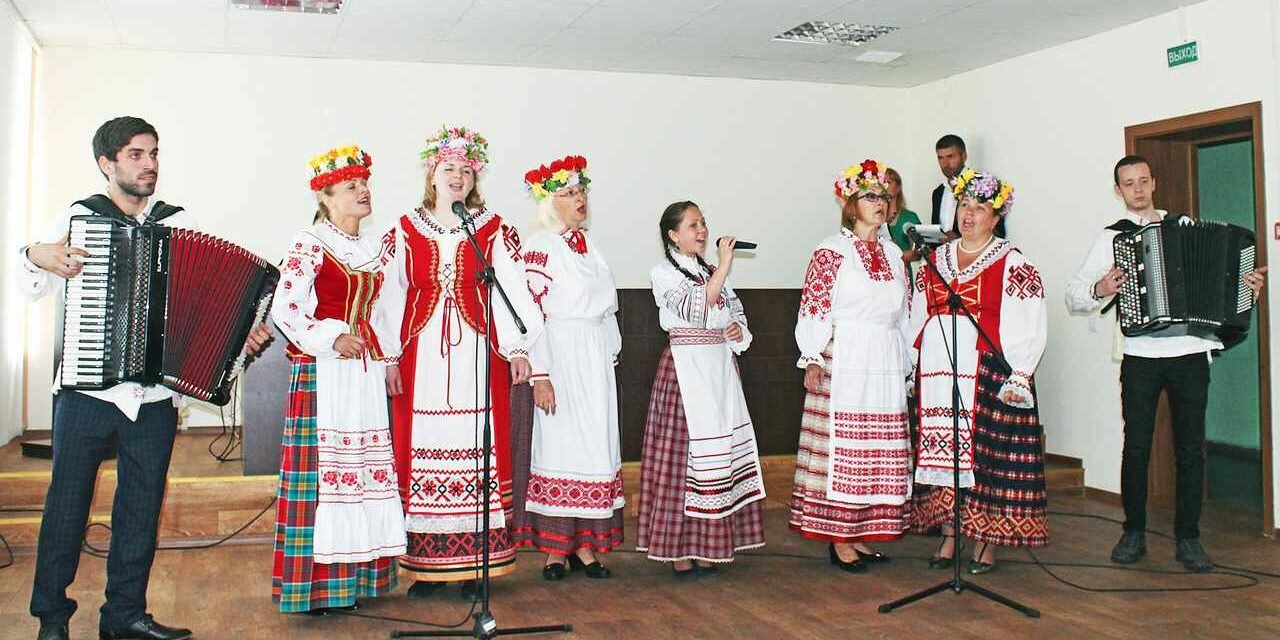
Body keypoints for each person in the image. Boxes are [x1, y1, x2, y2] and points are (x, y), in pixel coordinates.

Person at [19, 116, 270, 640]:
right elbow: (32, 287)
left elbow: (204, 306)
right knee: (66, 506)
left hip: (154, 398)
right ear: (106, 164)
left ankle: (125, 615)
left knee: (141, 508)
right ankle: (51, 617)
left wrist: (236, 334)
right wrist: (32, 255)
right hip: (88, 390)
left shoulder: (174, 223)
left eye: (153, 153)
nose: (150, 164)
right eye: (136, 154)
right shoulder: (78, 217)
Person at [1064, 155, 1266, 572]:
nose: (1137, 189)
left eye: (1143, 181)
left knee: (1191, 449)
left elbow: (1223, 283)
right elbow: (1074, 295)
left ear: (1154, 183)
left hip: (1190, 354)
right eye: (1128, 183)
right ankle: (1133, 531)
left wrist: (1248, 289)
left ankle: (1188, 537)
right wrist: (1100, 287)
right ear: (1117, 191)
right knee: (1136, 447)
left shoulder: (1186, 227)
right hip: (1140, 357)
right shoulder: (1110, 238)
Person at [386, 125, 543, 600]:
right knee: (423, 446)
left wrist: (519, 346)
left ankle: (478, 562)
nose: (456, 176)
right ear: (431, 175)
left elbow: (513, 288)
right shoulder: (405, 228)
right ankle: (426, 566)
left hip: (478, 351)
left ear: (475, 179)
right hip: (422, 355)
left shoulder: (491, 228)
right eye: (447, 168)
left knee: (478, 446)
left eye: (465, 170)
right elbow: (391, 296)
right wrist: (389, 355)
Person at [269, 145, 407, 613]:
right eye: (352, 186)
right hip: (325, 371)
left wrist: (390, 359)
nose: (363, 191)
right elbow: (285, 308)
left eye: (364, 184)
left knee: (362, 475)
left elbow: (383, 311)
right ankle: (314, 589)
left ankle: (359, 582)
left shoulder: (372, 248)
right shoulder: (309, 242)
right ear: (326, 197)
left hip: (364, 373)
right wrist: (330, 337)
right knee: (324, 476)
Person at [909, 169, 1046, 574]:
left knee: (986, 458)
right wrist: (911, 362)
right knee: (945, 453)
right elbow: (916, 314)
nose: (969, 214)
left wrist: (1020, 372)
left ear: (996, 216)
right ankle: (951, 535)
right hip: (937, 371)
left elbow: (1029, 320)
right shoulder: (934, 261)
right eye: (964, 206)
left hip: (985, 369)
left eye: (980, 207)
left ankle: (985, 541)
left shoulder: (1014, 263)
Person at [790, 160, 913, 573]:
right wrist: (810, 354)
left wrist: (909, 362)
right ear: (851, 205)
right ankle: (839, 536)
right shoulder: (831, 251)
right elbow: (815, 306)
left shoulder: (896, 254)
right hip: (845, 356)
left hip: (884, 356)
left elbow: (904, 314)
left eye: (884, 196)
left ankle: (861, 533)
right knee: (844, 450)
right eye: (870, 197)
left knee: (877, 451)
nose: (880, 203)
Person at [636, 201, 766, 577]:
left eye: (704, 223)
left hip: (719, 371)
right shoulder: (663, 273)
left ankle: (711, 544)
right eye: (693, 225)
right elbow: (697, 308)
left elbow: (733, 311)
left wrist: (737, 331)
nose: (703, 231)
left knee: (719, 458)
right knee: (683, 461)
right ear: (673, 235)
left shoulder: (711, 271)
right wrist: (724, 266)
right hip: (685, 370)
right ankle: (678, 548)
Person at [513, 155, 624, 581]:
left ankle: (586, 547)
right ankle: (555, 550)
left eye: (582, 192)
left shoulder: (590, 246)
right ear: (548, 202)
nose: (579, 199)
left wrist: (609, 354)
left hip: (594, 357)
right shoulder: (540, 245)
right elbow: (531, 311)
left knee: (595, 447)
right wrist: (540, 374)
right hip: (560, 353)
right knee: (560, 446)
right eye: (569, 193)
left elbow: (608, 309)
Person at [929, 135, 1006, 239]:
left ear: (964, 156)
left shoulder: (983, 186)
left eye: (950, 156)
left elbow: (998, 232)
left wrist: (959, 241)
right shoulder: (938, 192)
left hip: (976, 253)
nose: (945, 163)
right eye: (940, 158)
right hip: (944, 254)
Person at [884, 167, 921, 264]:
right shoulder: (874, 218)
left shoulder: (909, 217)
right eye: (881, 182)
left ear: (898, 188)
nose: (883, 186)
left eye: (888, 182)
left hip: (902, 273)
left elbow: (916, 253)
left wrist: (893, 256)